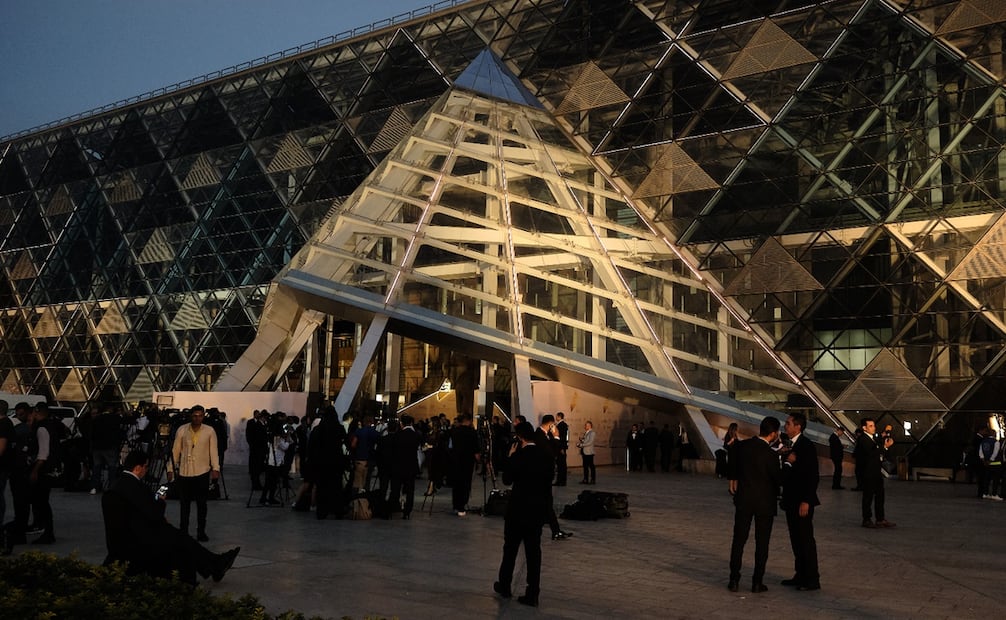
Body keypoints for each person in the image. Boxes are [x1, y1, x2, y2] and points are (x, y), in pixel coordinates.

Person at [104, 450, 239, 585]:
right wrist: (161, 501)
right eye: (146, 467)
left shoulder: (117, 485)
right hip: (138, 542)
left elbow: (136, 514)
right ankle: (213, 566)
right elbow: (154, 513)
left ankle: (214, 565)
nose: (146, 471)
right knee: (181, 540)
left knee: (179, 537)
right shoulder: (136, 487)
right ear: (138, 468)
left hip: (125, 539)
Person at [494, 421, 554, 607]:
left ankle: (505, 585)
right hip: (536, 511)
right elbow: (548, 483)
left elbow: (506, 479)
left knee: (510, 549)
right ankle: (532, 592)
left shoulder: (519, 456)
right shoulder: (546, 456)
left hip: (518, 510)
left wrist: (510, 457)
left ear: (519, 438)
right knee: (533, 552)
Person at [728, 416, 781, 594]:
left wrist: (733, 478)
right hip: (764, 503)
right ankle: (757, 582)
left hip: (744, 500)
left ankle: (733, 579)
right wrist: (788, 463)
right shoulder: (772, 455)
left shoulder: (743, 447)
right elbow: (777, 479)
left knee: (739, 540)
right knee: (762, 543)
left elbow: (732, 460)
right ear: (773, 434)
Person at [167, 405, 220, 541]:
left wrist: (216, 468)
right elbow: (175, 450)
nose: (197, 418)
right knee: (184, 505)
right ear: (191, 416)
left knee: (202, 504)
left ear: (203, 416)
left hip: (202, 471)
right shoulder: (182, 430)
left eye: (200, 415)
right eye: (195, 415)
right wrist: (170, 469)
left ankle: (201, 531)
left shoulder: (209, 431)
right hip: (185, 472)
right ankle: (183, 531)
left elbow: (213, 451)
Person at [780, 413, 820, 591]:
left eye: (788, 424)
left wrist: (807, 500)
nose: (785, 426)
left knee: (805, 540)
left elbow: (812, 476)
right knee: (796, 539)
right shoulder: (789, 445)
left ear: (798, 427)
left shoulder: (806, 446)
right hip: (790, 500)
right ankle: (800, 574)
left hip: (801, 501)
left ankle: (812, 578)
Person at [854, 417, 895, 528]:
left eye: (874, 426)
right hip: (868, 473)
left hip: (876, 472)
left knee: (880, 496)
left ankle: (880, 518)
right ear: (864, 428)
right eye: (870, 426)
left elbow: (877, 448)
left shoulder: (872, 438)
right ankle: (866, 519)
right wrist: (885, 447)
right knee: (868, 497)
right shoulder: (863, 439)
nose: (873, 428)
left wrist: (884, 441)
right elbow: (872, 453)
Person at [448, 413, 481, 515]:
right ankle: (462, 506)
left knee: (456, 483)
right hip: (467, 461)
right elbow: (476, 449)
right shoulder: (472, 432)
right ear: (468, 420)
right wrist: (478, 461)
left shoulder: (454, 431)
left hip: (455, 460)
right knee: (465, 483)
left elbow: (450, 446)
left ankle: (455, 505)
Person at [390, 414, 422, 519]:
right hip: (411, 466)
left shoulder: (398, 435)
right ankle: (407, 511)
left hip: (398, 465)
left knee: (395, 488)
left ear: (401, 423)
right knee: (410, 490)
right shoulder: (416, 435)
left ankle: (393, 508)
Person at [577, 420, 595, 485]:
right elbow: (586, 441)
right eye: (585, 425)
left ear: (590, 426)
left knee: (591, 466)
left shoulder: (592, 433)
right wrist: (582, 440)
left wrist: (581, 445)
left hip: (589, 452)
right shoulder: (586, 433)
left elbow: (590, 442)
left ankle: (593, 480)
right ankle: (585, 479)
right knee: (585, 466)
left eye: (586, 425)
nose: (585, 426)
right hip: (584, 452)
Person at [553, 412, 569, 486]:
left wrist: (562, 448)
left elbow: (563, 437)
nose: (556, 417)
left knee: (562, 465)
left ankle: (561, 481)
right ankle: (560, 481)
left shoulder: (562, 425)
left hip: (561, 447)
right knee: (560, 465)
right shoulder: (559, 425)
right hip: (559, 447)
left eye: (557, 416)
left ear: (559, 417)